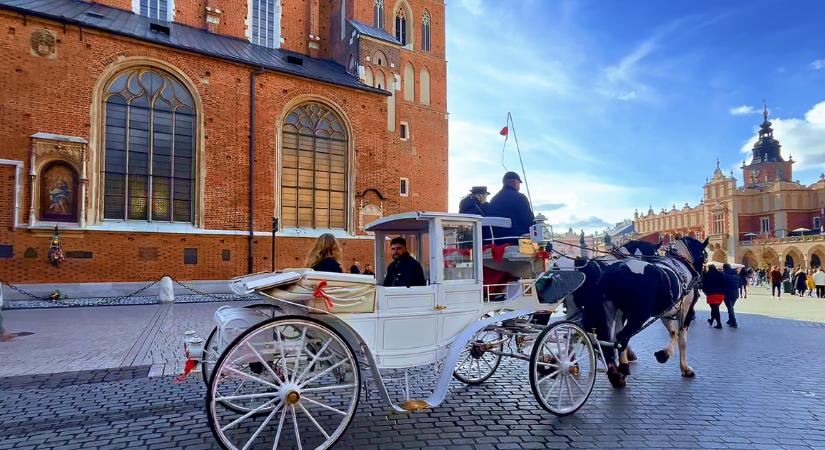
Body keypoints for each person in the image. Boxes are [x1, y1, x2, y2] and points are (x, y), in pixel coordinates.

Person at [485, 172, 534, 245]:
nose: (519, 186)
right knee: (547, 244)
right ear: (515, 183)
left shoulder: (494, 199)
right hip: (514, 240)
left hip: (494, 241)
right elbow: (529, 222)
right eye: (519, 184)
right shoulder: (520, 198)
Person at [722, 263, 739, 328]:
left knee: (730, 308)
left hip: (727, 294)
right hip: (735, 294)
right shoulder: (736, 274)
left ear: (724, 268)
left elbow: (722, 284)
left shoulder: (724, 274)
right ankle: (730, 320)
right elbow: (739, 283)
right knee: (731, 307)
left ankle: (734, 323)